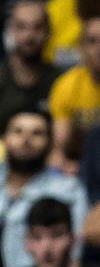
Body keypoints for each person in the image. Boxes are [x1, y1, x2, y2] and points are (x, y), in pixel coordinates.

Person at [0, 0, 57, 129]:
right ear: (10, 31)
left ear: (48, 32)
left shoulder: (59, 81)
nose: (29, 35)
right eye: (21, 27)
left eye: (37, 27)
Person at [51, 17, 100, 171]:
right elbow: (60, 148)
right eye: (92, 41)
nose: (99, 48)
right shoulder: (67, 85)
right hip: (80, 164)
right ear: (81, 48)